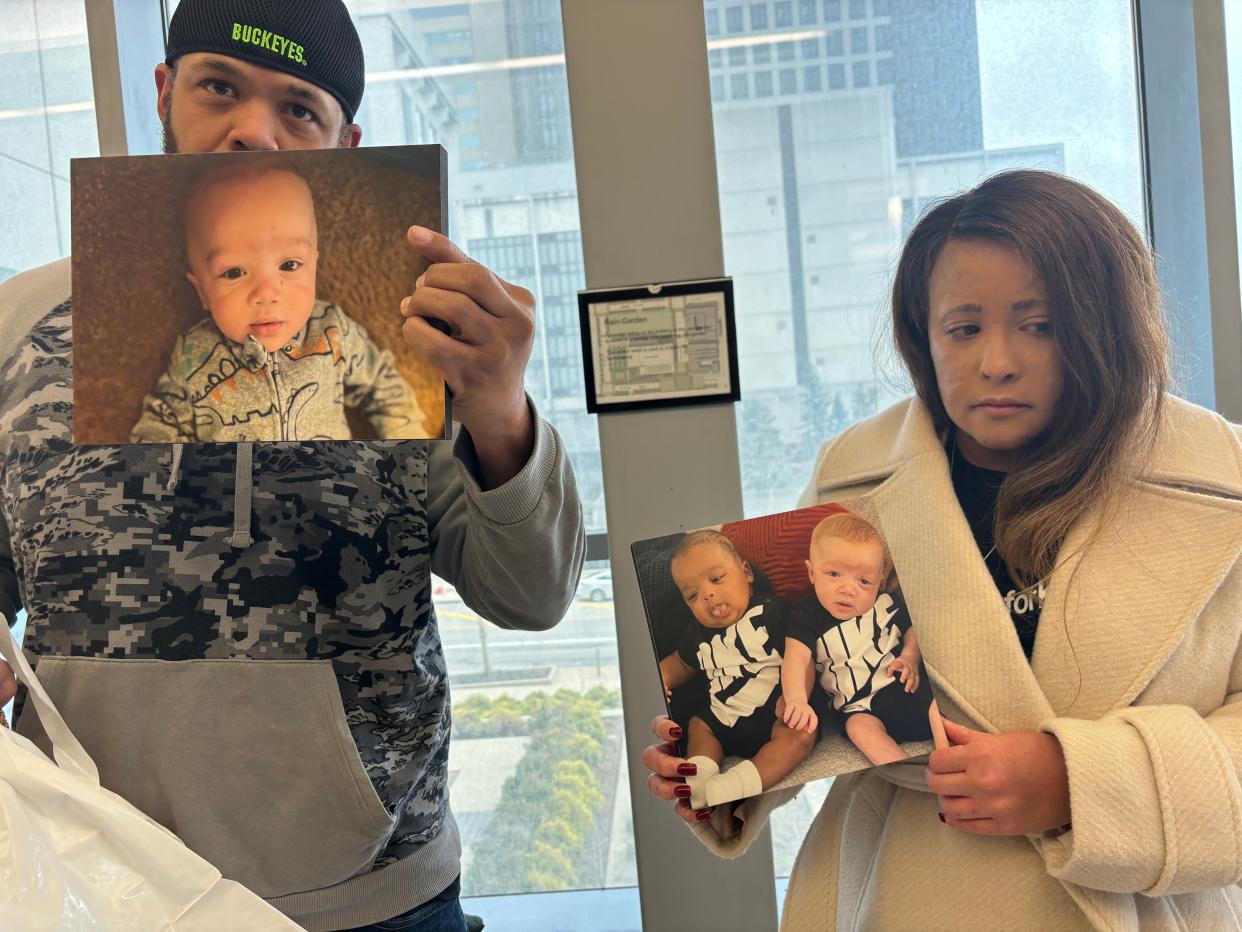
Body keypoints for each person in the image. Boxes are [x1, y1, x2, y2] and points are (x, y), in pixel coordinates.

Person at [0, 2, 584, 931]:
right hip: (95, 880)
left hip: (368, 894)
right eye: (219, 87)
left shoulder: (408, 339)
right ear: (165, 92)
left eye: (299, 109)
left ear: (344, 141)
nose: (252, 132)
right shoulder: (24, 325)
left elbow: (533, 594)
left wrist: (500, 406)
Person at [642, 169, 1242, 929]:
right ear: (923, 335)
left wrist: (1079, 784)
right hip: (904, 893)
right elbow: (814, 691)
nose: (996, 361)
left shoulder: (1219, 483)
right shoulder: (854, 480)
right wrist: (719, 761)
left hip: (1149, 904)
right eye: (963, 328)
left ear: (1107, 327)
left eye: (1041, 324)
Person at [131, 162, 428, 442]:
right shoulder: (194, 353)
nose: (266, 294)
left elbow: (383, 386)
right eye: (234, 272)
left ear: (314, 265)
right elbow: (160, 426)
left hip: (333, 486)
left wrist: (409, 450)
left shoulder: (332, 331)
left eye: (289, 265)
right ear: (202, 292)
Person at [658, 529, 815, 809]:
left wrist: (797, 699)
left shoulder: (772, 612)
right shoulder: (696, 634)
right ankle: (700, 781)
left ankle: (734, 786)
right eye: (692, 595)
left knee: (801, 734)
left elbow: (802, 656)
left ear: (746, 573)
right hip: (723, 717)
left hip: (777, 712)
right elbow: (680, 663)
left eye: (716, 579)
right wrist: (660, 679)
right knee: (698, 725)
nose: (707, 594)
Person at [780, 512, 932, 765]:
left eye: (863, 581)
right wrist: (796, 698)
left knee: (935, 695)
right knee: (858, 728)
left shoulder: (884, 603)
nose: (848, 589)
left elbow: (913, 630)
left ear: (880, 581)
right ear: (811, 573)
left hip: (906, 686)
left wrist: (909, 657)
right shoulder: (805, 613)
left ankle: (947, 749)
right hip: (861, 708)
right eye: (833, 574)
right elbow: (796, 655)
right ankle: (908, 771)